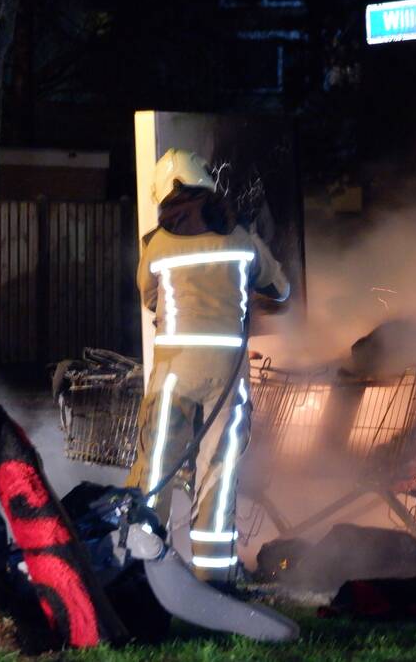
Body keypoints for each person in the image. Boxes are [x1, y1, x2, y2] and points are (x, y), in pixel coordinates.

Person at [125, 148, 289, 585]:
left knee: (156, 471)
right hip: (227, 380)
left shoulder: (156, 244)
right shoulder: (241, 239)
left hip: (172, 375)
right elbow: (282, 290)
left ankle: (143, 570)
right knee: (218, 470)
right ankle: (213, 579)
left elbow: (149, 298)